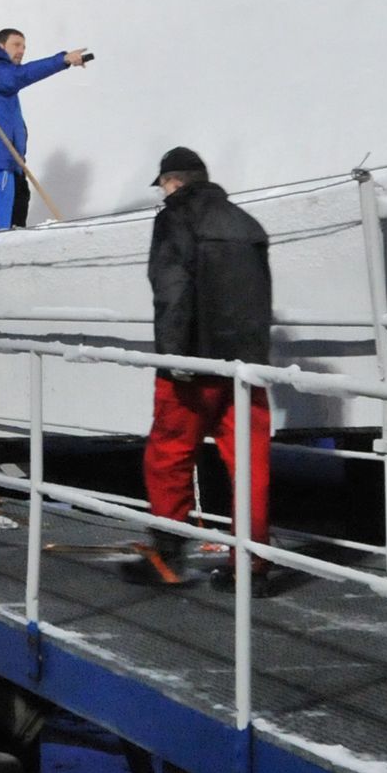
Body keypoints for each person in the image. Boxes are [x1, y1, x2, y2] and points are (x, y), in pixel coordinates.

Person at [139, 147, 275, 592]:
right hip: (245, 367)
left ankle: (168, 554)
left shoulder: (175, 218)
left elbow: (172, 289)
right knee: (249, 464)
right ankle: (250, 563)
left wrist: (174, 356)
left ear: (173, 182)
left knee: (170, 456)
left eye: (163, 186)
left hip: (193, 365)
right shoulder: (246, 224)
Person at [0, 28, 89, 234]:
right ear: (0, 46)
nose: (22, 51)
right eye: (16, 45)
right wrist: (63, 60)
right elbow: (23, 74)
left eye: (24, 47)